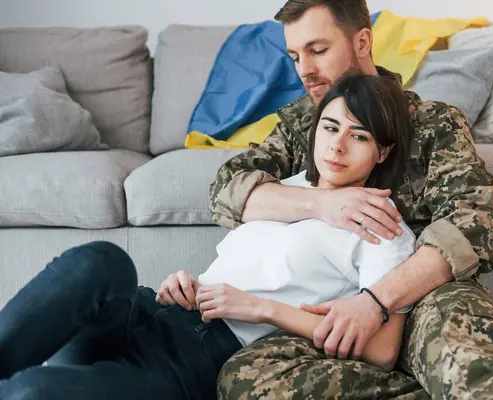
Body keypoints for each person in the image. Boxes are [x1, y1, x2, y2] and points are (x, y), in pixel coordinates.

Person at [211, 1, 493, 399]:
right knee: (247, 382)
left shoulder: (433, 123)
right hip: (324, 312)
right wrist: (324, 204)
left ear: (362, 41)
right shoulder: (301, 125)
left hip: (420, 296)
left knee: (474, 367)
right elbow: (228, 190)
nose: (303, 70)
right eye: (295, 55)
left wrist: (376, 302)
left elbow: (474, 225)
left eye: (318, 50)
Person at [0, 74, 417, 400]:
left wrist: (262, 308)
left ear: (382, 152)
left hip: (197, 357)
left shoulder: (384, 228)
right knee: (104, 261)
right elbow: (234, 261)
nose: (337, 146)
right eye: (329, 127)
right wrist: (181, 285)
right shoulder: (287, 190)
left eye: (358, 135)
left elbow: (381, 351)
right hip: (157, 309)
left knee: (30, 391)